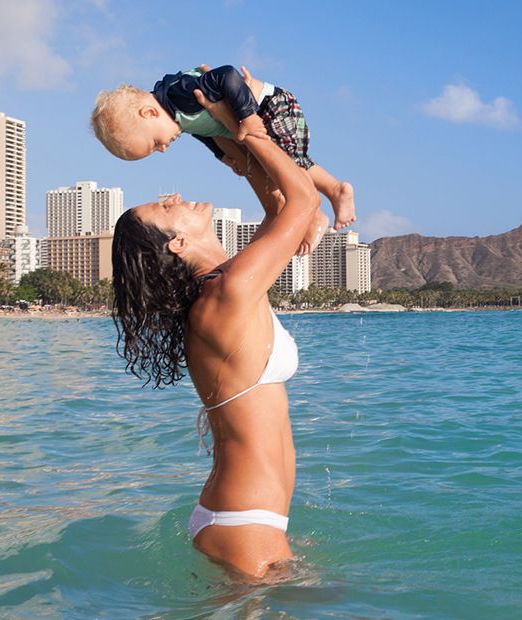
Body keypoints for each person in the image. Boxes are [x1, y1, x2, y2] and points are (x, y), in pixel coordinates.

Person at [110, 89, 321, 579]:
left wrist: (245, 164)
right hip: (245, 523)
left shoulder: (223, 288)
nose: (175, 196)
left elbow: (278, 213)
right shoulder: (226, 293)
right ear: (178, 243)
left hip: (245, 517)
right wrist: (251, 132)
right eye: (166, 208)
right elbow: (303, 200)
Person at [91, 64, 355, 238]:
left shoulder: (178, 94)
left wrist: (248, 116)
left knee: (287, 166)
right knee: (280, 168)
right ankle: (331, 190)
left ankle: (319, 205)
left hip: (270, 106)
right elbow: (203, 131)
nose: (162, 149)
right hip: (249, 118)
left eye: (153, 144)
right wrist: (224, 157)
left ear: (148, 113)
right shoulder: (175, 114)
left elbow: (227, 75)